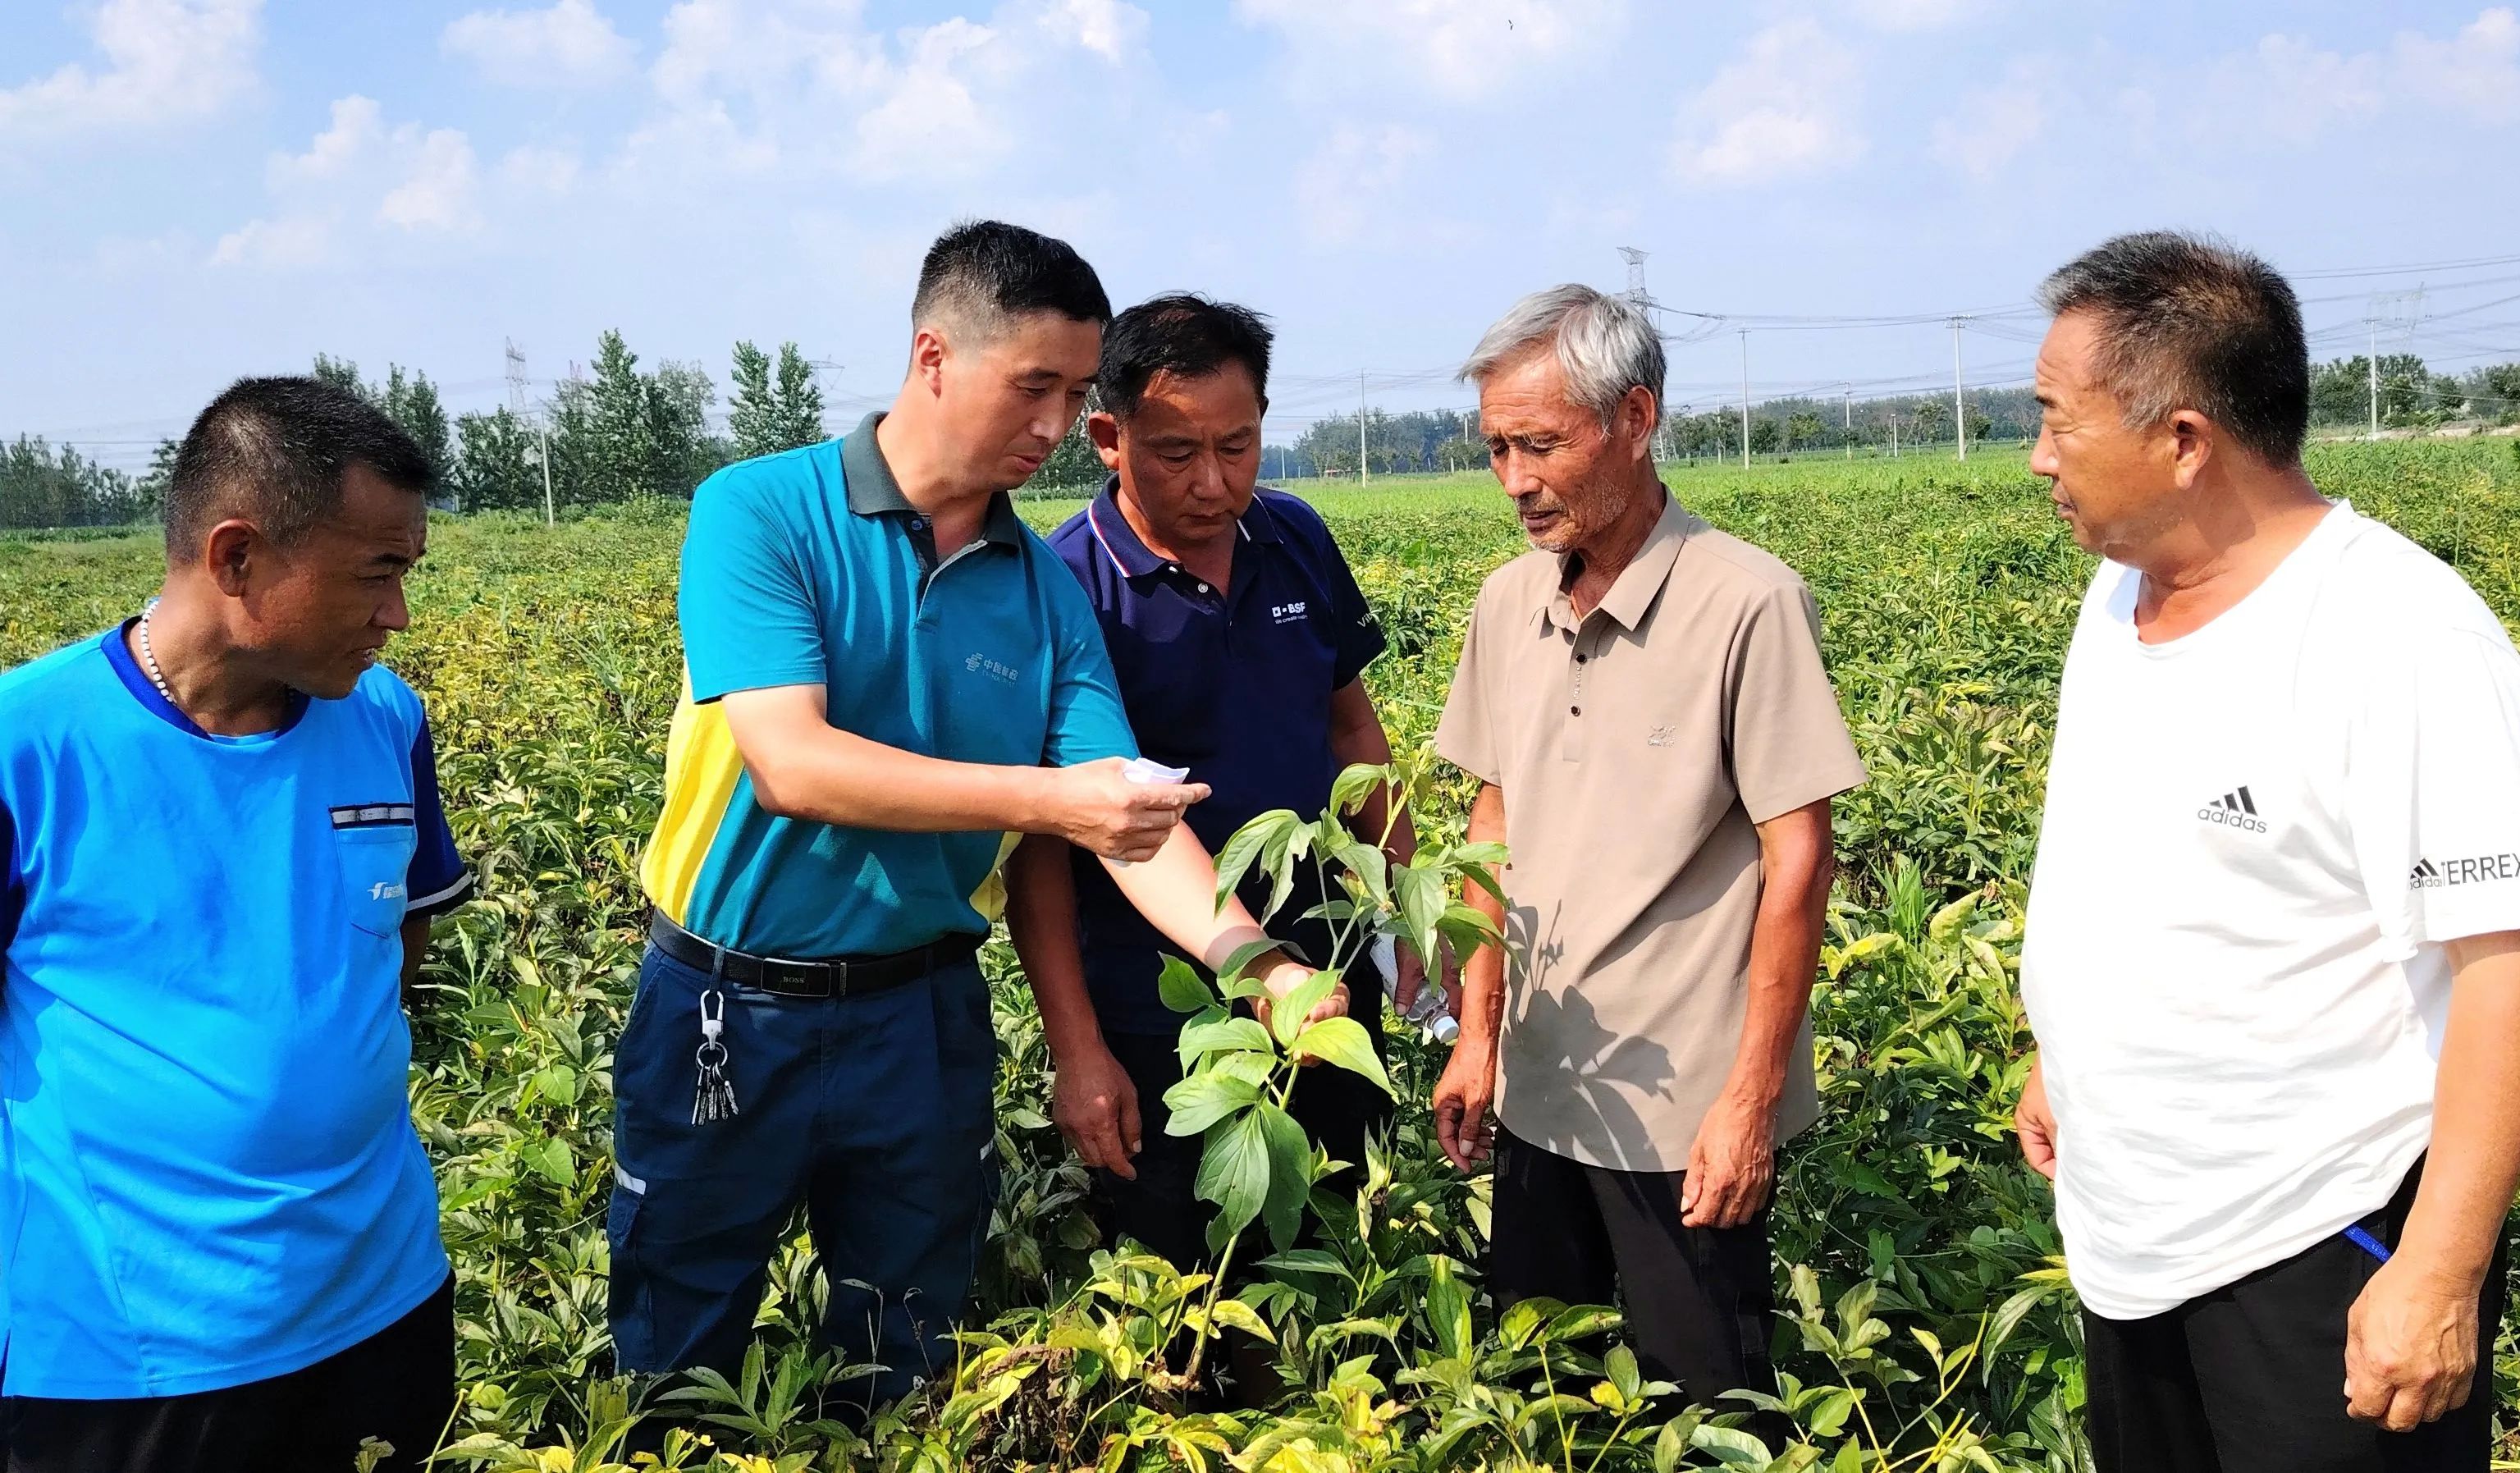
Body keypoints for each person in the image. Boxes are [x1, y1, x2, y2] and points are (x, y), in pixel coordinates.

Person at [615, 222, 1334, 1402]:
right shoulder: (762, 513)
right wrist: (1056, 798)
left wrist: (1253, 959)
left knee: (901, 1339)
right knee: (682, 1336)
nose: (1057, 428)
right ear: (933, 354)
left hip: (922, 1006)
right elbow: (793, 762)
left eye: (1071, 393)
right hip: (730, 999)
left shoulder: (1042, 587)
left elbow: (1127, 812)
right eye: (1033, 387)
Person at [2011, 231, 2520, 1471]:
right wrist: (2071, 1054)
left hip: (2318, 1240)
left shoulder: (2398, 636)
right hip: (2132, 1230)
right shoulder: (2117, 597)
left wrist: (2437, 1268)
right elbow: (2136, 864)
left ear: (2184, 440)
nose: (2037, 455)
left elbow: (2509, 971)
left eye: (2056, 419)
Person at [0, 377, 473, 1473]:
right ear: (236, 559)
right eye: (377, 573)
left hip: (385, 1299)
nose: (396, 615)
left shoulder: (386, 719)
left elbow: (391, 951)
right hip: (132, 1358)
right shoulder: (28, 745)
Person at [1427, 285, 1866, 1411]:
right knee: (1542, 1383)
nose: (1514, 479)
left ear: (1634, 416)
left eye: (1541, 444)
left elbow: (1797, 858)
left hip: (1681, 1099)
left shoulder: (1746, 602)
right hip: (1538, 1076)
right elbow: (1490, 829)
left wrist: (1749, 1099)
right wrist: (1477, 1035)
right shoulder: (1503, 601)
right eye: (1494, 449)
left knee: (1703, 1401)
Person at [1021, 294, 1422, 1271]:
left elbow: (1350, 729)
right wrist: (1077, 1049)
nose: (1214, 482)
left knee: (1336, 1243)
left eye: (1237, 446)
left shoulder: (1293, 538)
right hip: (1161, 1009)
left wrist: (1403, 910)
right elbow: (1041, 841)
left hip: (1325, 974)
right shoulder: (1059, 583)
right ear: (1107, 436)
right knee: (1187, 1270)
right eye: (1175, 452)